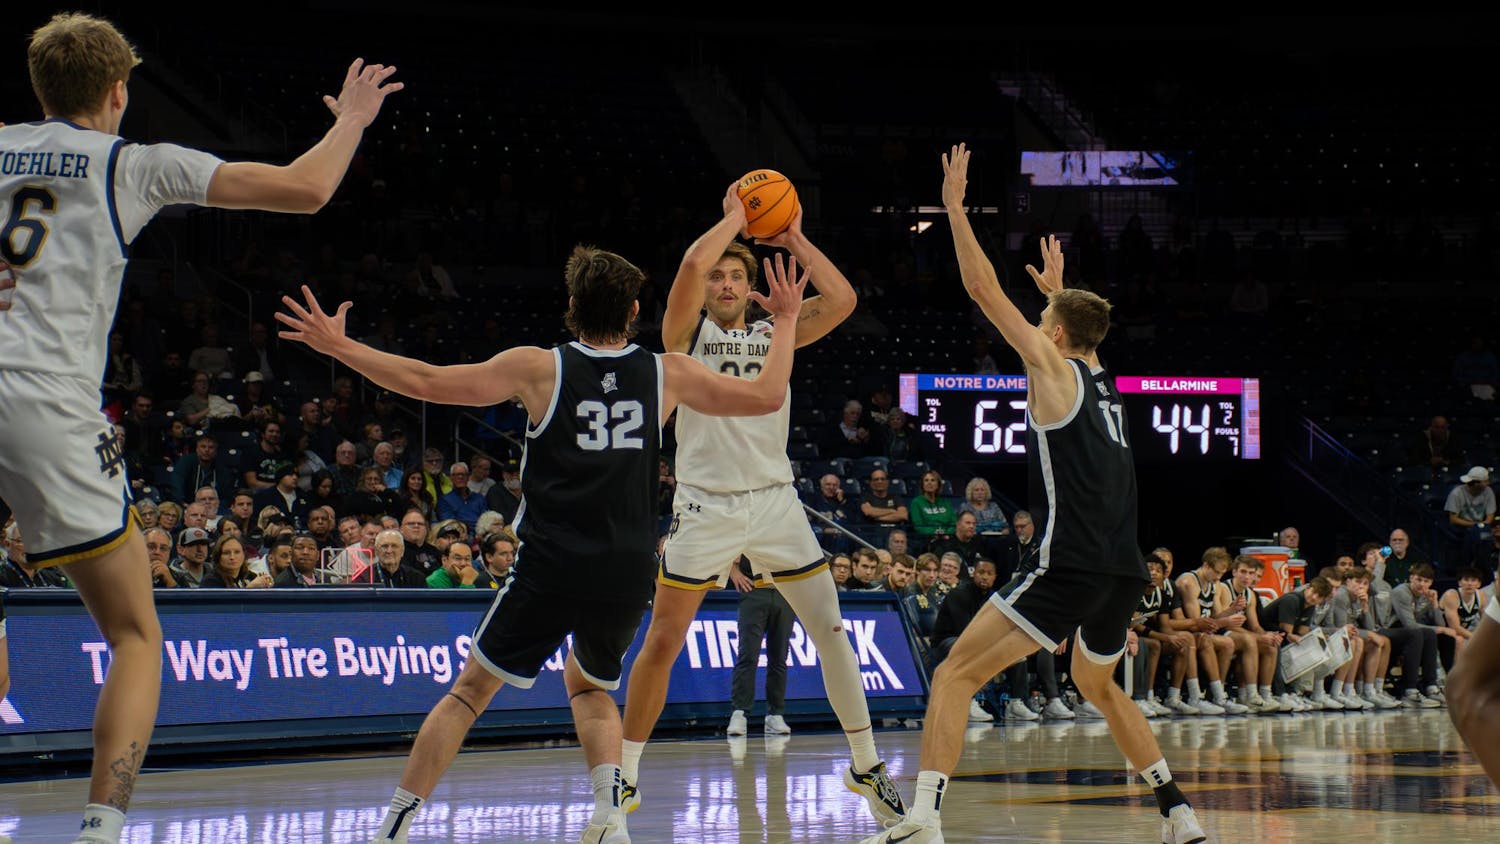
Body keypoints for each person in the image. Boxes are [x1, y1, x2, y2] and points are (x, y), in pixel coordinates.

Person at [0, 16, 399, 842]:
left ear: (38, 90)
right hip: (45, 401)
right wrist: (352, 119)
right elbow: (305, 189)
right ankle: (102, 829)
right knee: (137, 633)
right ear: (119, 92)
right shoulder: (134, 163)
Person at [276, 232, 807, 844]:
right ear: (635, 312)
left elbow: (424, 381)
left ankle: (395, 825)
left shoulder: (538, 367)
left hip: (551, 563)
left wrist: (342, 347)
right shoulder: (670, 373)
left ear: (572, 307)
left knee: (470, 693)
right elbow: (768, 395)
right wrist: (787, 319)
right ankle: (610, 818)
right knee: (591, 688)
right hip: (627, 568)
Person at [862, 146, 1205, 844]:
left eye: (1045, 324)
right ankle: (1180, 812)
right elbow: (1084, 322)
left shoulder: (1051, 366)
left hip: (1068, 562)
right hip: (1123, 569)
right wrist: (1058, 291)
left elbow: (986, 290)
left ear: (1051, 336)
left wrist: (954, 209)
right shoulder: (1106, 376)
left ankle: (925, 818)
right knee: (1098, 683)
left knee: (953, 673)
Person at [620, 184, 905, 833]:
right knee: (663, 640)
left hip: (776, 503)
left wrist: (794, 237)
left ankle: (865, 766)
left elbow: (844, 300)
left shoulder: (778, 330)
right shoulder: (683, 335)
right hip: (703, 505)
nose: (723, 281)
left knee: (832, 634)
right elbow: (690, 268)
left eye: (735, 275)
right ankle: (624, 780)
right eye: (719, 274)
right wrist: (732, 221)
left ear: (750, 288)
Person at [725, 557, 795, 737]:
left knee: (779, 657)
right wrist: (735, 574)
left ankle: (775, 714)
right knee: (748, 654)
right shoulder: (749, 529)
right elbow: (729, 553)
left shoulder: (789, 532)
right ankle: (740, 712)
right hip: (754, 590)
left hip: (784, 592)